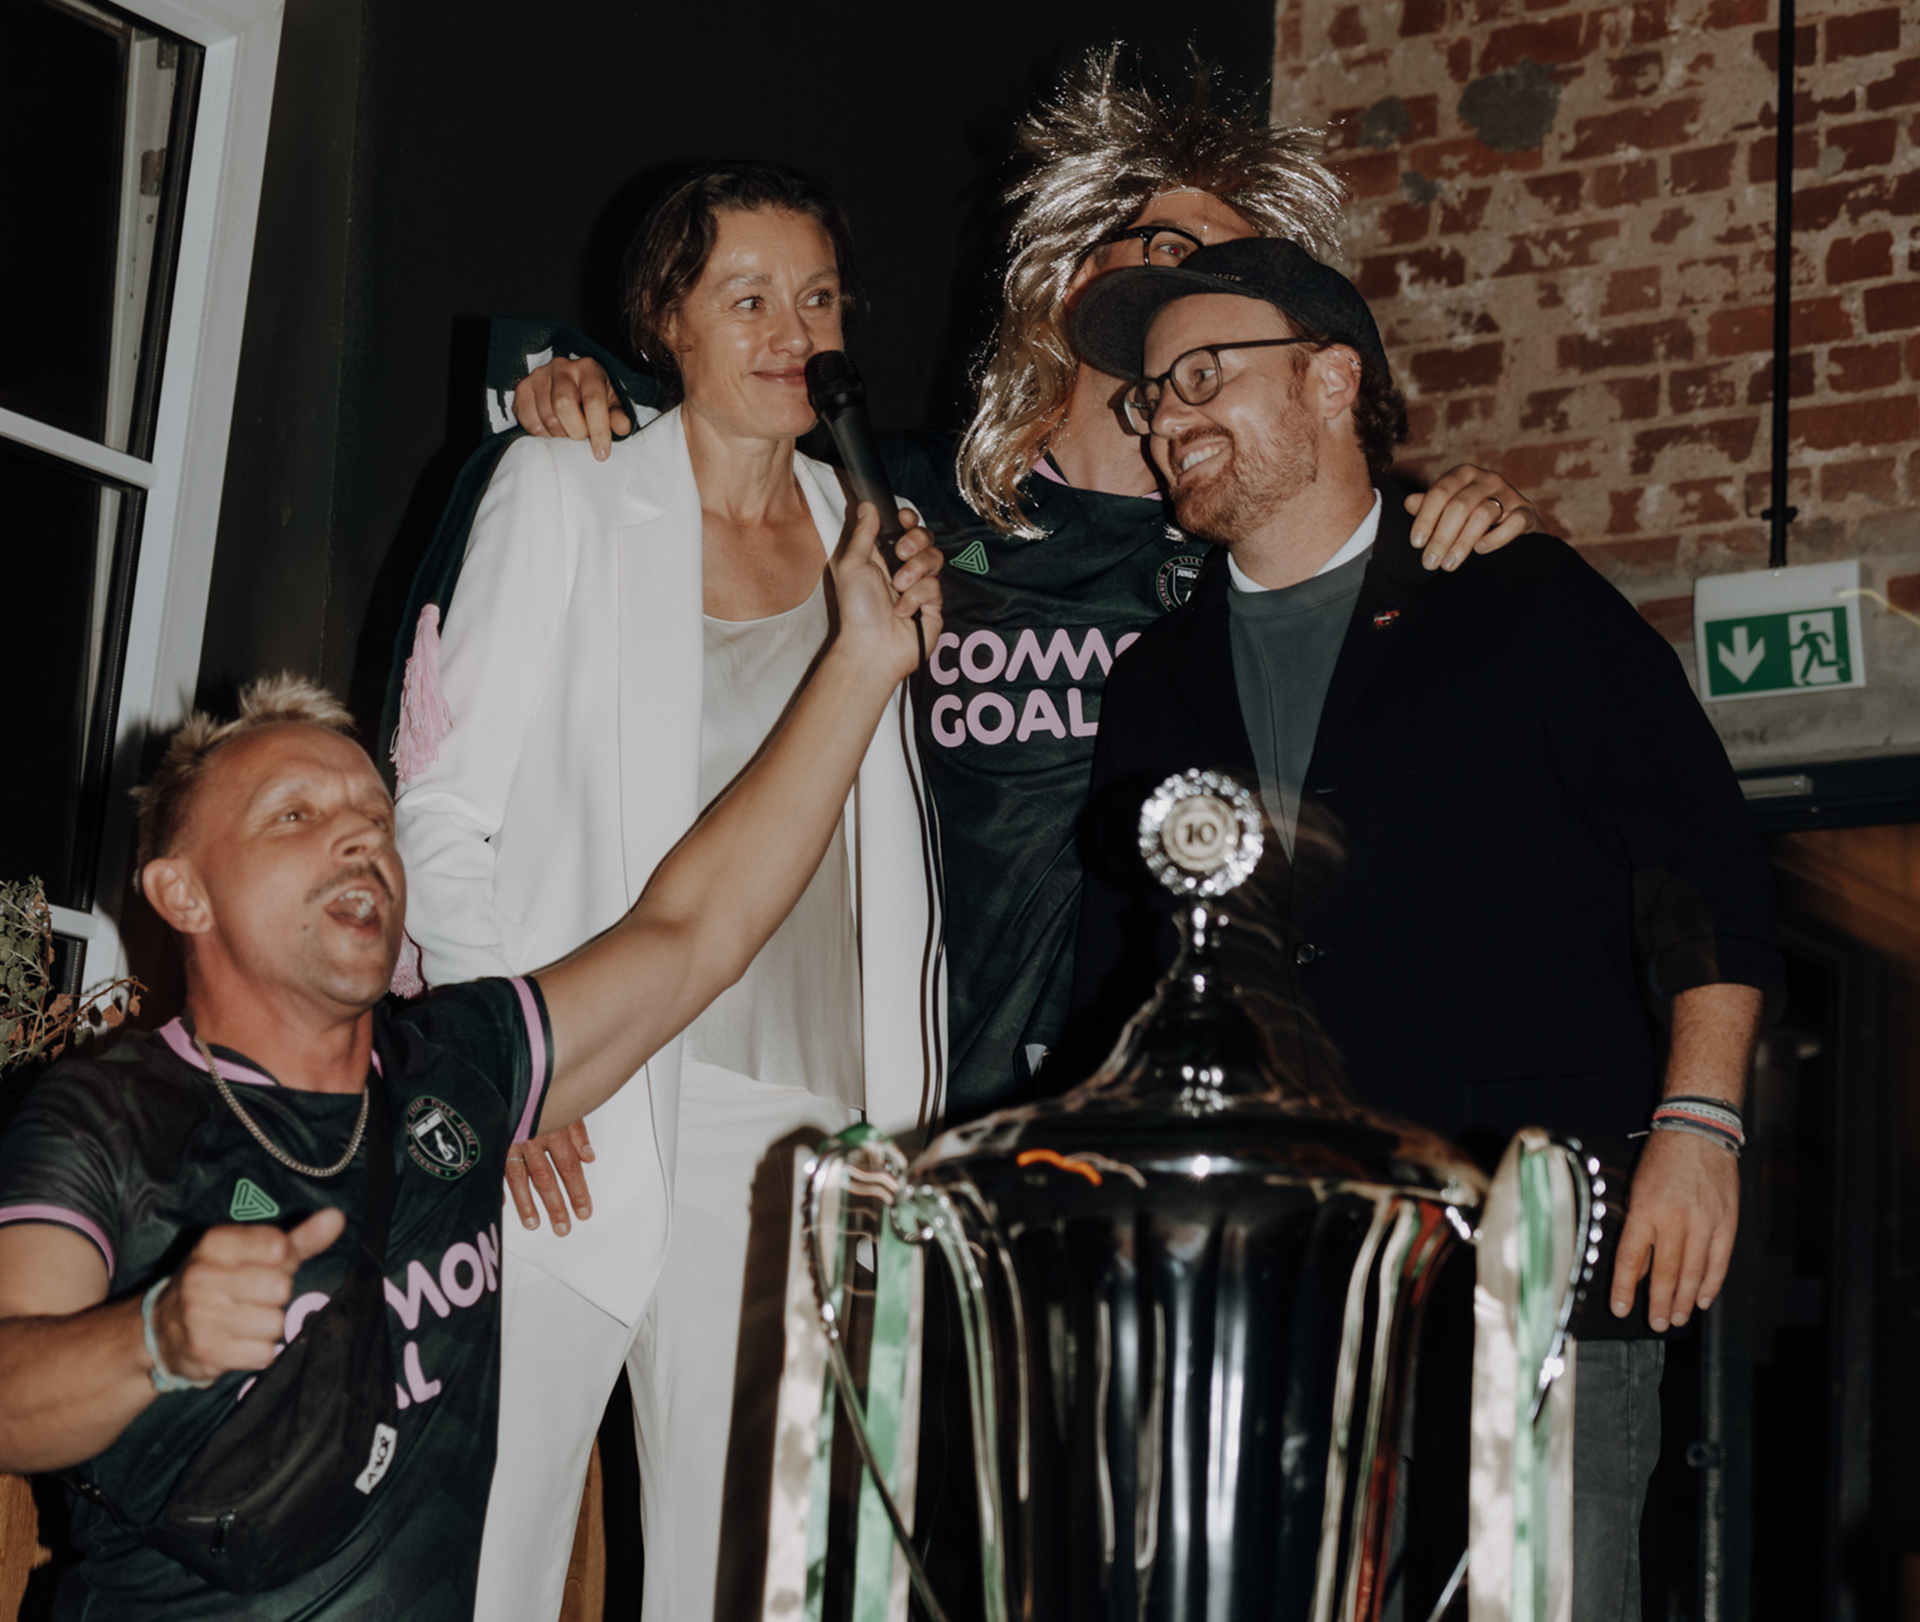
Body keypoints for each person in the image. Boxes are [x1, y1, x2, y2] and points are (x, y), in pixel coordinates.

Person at [0, 503, 930, 1622]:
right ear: (179, 888)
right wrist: (158, 1341)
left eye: (374, 817)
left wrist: (863, 659)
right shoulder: (104, 1120)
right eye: (297, 817)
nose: (359, 844)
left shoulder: (456, 1067)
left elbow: (694, 929)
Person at [1063, 237, 1782, 1622]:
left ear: (1333, 379)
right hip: (1282, 1298)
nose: (1168, 421)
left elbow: (1702, 871)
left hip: (1524, 1257)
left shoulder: (1513, 595)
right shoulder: (1157, 680)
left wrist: (1698, 1122)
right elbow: (1135, 978)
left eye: (1202, 376)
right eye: (1149, 395)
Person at [488, 48, 1543, 1134]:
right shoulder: (888, 498)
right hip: (888, 1073)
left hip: (1152, 1100)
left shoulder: (1260, 546)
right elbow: (708, 492)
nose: (1209, 293)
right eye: (1178, 250)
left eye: (1244, 272)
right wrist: (588, 395)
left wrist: (1459, 520)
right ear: (1077, 273)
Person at [390, 163, 946, 1622]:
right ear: (666, 326)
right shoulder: (570, 485)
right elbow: (438, 808)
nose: (792, 329)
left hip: (798, 1140)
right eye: (747, 297)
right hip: (575, 1107)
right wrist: (499, 1065)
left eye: (819, 297)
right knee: (479, 1584)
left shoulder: (874, 530)